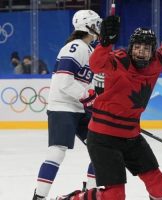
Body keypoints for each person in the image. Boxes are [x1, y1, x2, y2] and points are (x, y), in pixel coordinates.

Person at [54, 0, 162, 199]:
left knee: (159, 185)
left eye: (146, 48)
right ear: (131, 48)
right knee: (115, 196)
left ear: (152, 52)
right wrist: (105, 44)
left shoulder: (155, 64)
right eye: (138, 47)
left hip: (131, 137)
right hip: (103, 138)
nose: (141, 51)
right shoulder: (119, 60)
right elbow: (96, 64)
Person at [32, 10, 102, 200]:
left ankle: (90, 194)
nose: (99, 27)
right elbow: (64, 82)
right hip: (62, 107)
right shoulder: (75, 47)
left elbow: (88, 84)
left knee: (103, 147)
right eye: (96, 23)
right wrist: (87, 96)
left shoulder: (91, 50)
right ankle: (39, 197)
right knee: (57, 152)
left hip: (80, 107)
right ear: (87, 26)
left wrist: (96, 97)